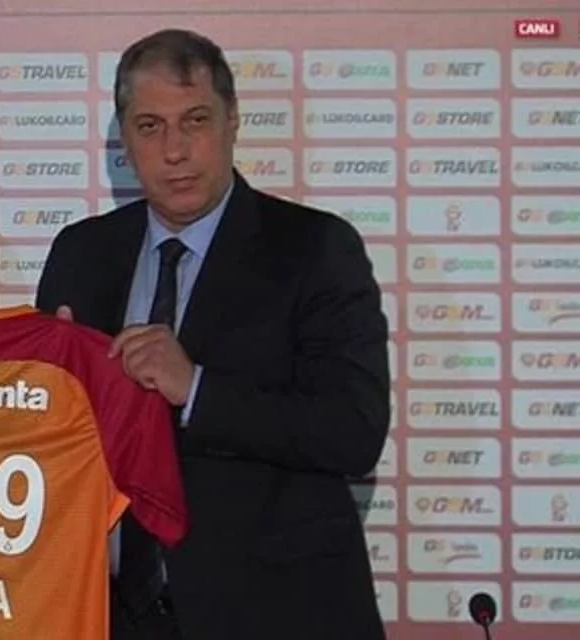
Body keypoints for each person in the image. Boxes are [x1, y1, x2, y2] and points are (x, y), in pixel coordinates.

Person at [35, 28, 390, 639]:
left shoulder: (314, 248)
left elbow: (352, 430)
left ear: (233, 122)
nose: (175, 150)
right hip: (113, 617)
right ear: (125, 141)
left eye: (195, 120)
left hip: (278, 617)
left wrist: (195, 388)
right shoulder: (82, 253)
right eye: (150, 127)